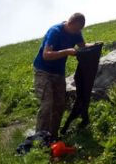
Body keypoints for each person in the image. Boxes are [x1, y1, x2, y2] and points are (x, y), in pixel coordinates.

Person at [32, 12, 86, 140]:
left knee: (59, 104)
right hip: (43, 71)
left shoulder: (76, 33)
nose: (77, 32)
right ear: (70, 23)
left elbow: (82, 47)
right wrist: (67, 51)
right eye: (76, 29)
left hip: (58, 73)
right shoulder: (55, 32)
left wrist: (95, 46)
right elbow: (46, 54)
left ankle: (53, 136)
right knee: (47, 104)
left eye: (79, 30)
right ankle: (40, 139)